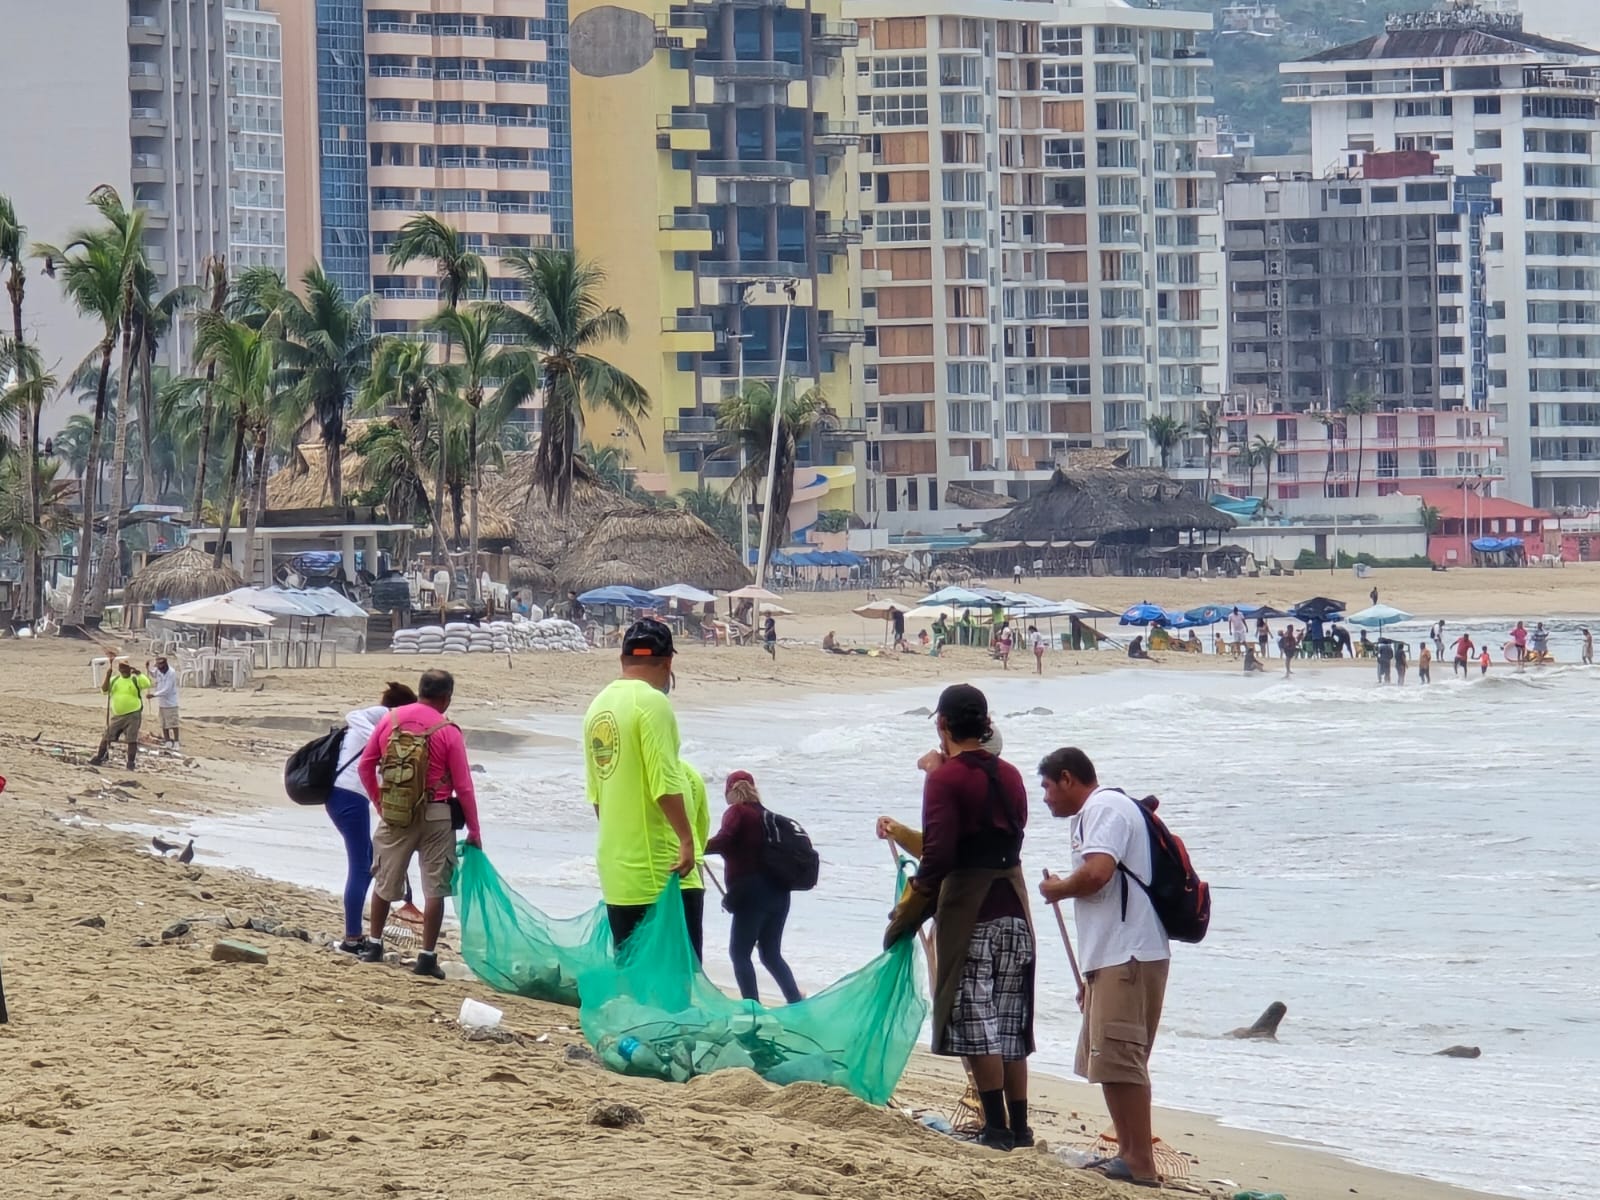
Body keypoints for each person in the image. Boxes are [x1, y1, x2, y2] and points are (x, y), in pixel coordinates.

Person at [879, 685, 1035, 1151]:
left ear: (943, 726)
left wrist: (908, 912)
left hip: (971, 908)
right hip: (1015, 905)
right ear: (987, 725)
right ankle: (1020, 1128)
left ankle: (995, 1128)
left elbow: (939, 855)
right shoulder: (1010, 775)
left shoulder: (944, 781)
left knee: (975, 1020)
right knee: (1010, 1021)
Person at [1037, 748, 1170, 1188]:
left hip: (1129, 953)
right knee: (1108, 1060)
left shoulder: (1104, 807)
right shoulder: (1094, 813)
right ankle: (1129, 1152)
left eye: (1047, 787)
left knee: (1123, 1057)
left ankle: (1141, 1161)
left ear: (1068, 778)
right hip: (1111, 954)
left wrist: (1057, 888)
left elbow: (1098, 874)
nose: (1045, 798)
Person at [357, 669, 480, 979]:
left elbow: (365, 765)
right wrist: (475, 830)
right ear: (446, 698)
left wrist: (379, 803)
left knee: (385, 878)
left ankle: (373, 945)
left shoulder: (391, 720)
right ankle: (427, 957)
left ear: (420, 690)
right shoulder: (449, 730)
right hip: (438, 815)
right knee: (434, 888)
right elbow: (464, 786)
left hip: (396, 812)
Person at [583, 618, 696, 951]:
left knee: (629, 971)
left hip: (615, 866)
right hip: (655, 869)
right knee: (666, 976)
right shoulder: (652, 703)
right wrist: (687, 839)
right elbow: (664, 781)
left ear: (622, 660)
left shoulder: (597, 706)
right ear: (668, 663)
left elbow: (597, 793)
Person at [329, 681, 417, 955]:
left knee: (366, 861)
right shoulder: (380, 716)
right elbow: (352, 715)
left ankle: (355, 934)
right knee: (360, 865)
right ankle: (352, 939)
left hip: (346, 797)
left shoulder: (386, 724)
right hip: (347, 798)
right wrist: (380, 736)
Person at [704, 770, 803, 1005]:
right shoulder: (768, 816)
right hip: (780, 893)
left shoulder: (737, 812)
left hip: (752, 895)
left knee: (739, 953)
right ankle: (796, 1002)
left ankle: (752, 1010)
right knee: (770, 954)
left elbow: (724, 840)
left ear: (729, 791)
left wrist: (692, 845)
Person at [90, 658, 151, 769]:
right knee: (107, 736)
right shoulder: (115, 680)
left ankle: (131, 763)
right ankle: (100, 757)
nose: (123, 670)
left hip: (133, 714)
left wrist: (139, 674)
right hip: (118, 715)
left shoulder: (135, 679)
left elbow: (147, 684)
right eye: (121, 668)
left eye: (125, 668)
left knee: (131, 739)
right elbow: (104, 691)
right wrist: (108, 676)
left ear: (129, 669)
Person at [677, 760, 711, 962]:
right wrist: (697, 851)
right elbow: (703, 821)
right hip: (693, 862)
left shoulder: (649, 769)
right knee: (691, 937)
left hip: (660, 863)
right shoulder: (693, 775)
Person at [147, 656, 181, 750]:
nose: (158, 668)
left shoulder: (171, 673)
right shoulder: (158, 670)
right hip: (162, 703)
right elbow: (154, 674)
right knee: (164, 723)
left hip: (171, 703)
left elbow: (167, 689)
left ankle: (176, 741)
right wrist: (148, 669)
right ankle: (168, 741)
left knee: (173, 723)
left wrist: (154, 695)